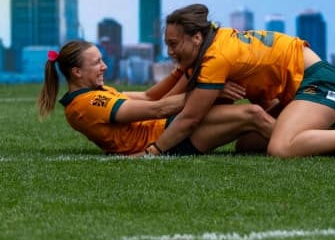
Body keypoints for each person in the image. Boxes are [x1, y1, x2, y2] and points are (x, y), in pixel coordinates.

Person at [144, 4, 335, 158]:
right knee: (248, 144)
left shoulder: (215, 57)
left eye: (174, 44)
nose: (170, 52)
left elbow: (190, 117)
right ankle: (328, 137)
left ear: (197, 38)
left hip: (321, 83)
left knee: (281, 148)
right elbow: (164, 101)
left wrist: (154, 151)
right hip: (299, 91)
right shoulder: (213, 45)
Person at [37, 40, 274, 155]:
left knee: (249, 127)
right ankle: (295, 139)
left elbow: (149, 97)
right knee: (252, 114)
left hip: (169, 128)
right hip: (169, 139)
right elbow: (157, 109)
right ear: (76, 72)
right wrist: (209, 91)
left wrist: (181, 70)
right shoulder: (86, 104)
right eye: (97, 62)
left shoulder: (96, 93)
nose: (104, 66)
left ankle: (289, 120)